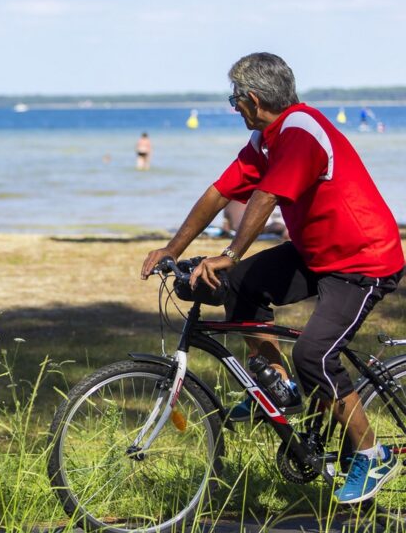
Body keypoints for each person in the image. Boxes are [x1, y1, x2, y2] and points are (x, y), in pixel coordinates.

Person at [140, 53, 405, 504]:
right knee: (241, 285)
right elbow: (220, 191)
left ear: (253, 99)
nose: (233, 107)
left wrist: (229, 253)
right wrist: (173, 249)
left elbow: (267, 196)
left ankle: (372, 452)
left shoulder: (301, 132)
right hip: (315, 253)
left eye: (234, 100)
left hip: (363, 261)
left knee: (314, 354)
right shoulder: (266, 139)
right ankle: (277, 385)